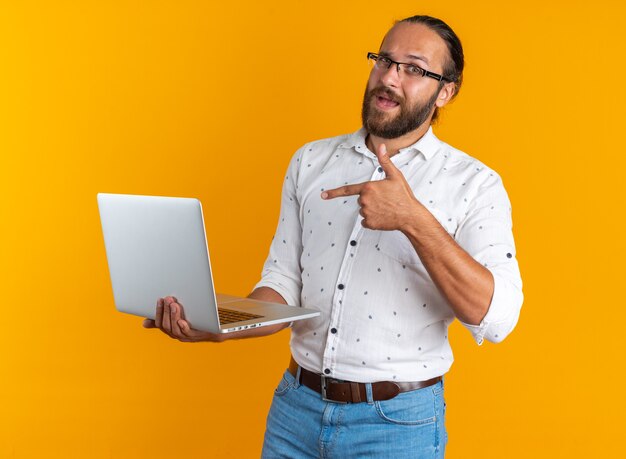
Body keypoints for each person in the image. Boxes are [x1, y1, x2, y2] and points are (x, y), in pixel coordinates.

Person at [143, 14, 523, 458]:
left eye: (414, 68)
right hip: (294, 412)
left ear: (446, 91)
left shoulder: (474, 183)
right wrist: (216, 325)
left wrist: (412, 218)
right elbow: (282, 290)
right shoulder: (311, 161)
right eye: (384, 59)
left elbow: (497, 320)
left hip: (396, 427)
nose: (389, 78)